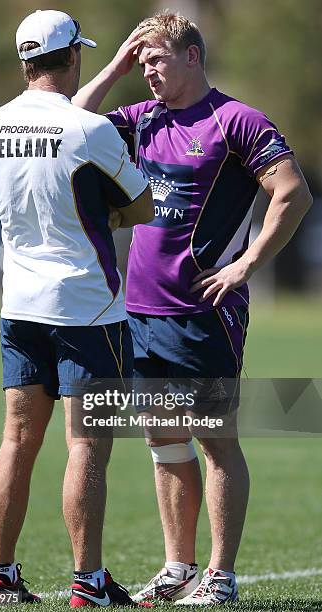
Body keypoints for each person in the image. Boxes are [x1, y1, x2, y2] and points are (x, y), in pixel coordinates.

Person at [72, 11, 313, 606]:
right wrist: (118, 64)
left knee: (216, 440)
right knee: (164, 442)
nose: (148, 71)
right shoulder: (140, 119)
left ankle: (220, 577)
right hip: (141, 311)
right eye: (143, 61)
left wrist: (246, 264)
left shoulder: (237, 121)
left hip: (204, 311)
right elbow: (71, 125)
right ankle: (177, 568)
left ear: (193, 57)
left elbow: (293, 191)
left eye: (158, 60)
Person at [0, 9, 154, 607]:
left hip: (19, 305)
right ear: (73, 55)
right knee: (86, 447)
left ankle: (0, 577)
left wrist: (109, 70)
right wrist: (109, 216)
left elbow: (58, 125)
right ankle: (89, 581)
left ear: (26, 60)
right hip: (88, 308)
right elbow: (143, 206)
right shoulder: (90, 130)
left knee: (17, 440)